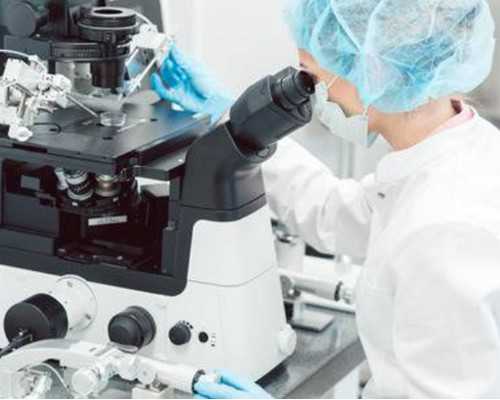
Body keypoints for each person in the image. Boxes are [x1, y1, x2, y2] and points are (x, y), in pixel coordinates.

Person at [152, 0, 500, 398]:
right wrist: (233, 122)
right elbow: (339, 212)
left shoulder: (443, 230)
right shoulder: (460, 149)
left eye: (311, 76)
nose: (311, 94)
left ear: (374, 69)